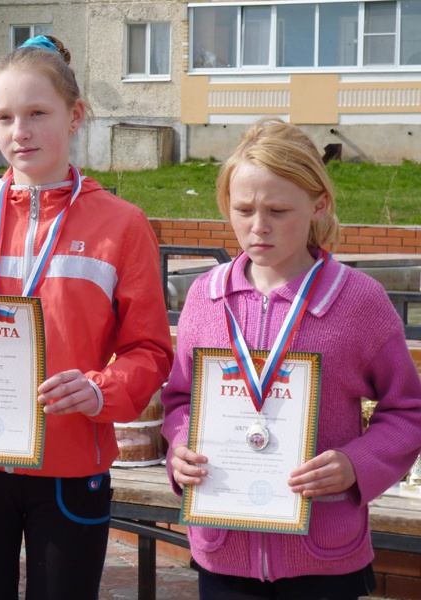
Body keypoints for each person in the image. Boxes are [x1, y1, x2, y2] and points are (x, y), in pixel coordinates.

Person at [0, 35, 174, 599]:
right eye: (4, 116)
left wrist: (101, 390)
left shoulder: (122, 225)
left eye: (37, 113)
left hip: (70, 466)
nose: (19, 131)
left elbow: (150, 349)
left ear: (76, 116)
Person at [162, 116, 421, 599]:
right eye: (242, 209)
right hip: (223, 551)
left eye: (278, 210)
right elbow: (179, 399)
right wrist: (180, 447)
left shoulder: (358, 301)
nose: (257, 227)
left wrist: (356, 463)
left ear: (318, 203)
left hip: (322, 558)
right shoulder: (205, 297)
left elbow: (408, 410)